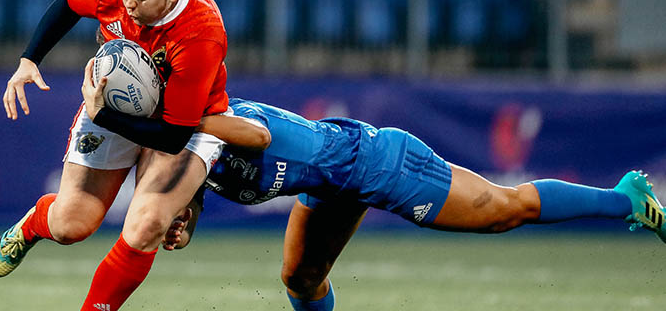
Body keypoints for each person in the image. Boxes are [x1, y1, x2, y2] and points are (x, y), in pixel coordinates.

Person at [164, 98, 666, 311]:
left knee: (504, 210)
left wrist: (186, 123)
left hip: (377, 163)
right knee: (300, 278)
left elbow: (253, 134)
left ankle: (625, 198)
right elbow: (199, 184)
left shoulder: (218, 119)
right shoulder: (183, 150)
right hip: (330, 185)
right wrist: (185, 218)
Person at [0, 0, 230, 311]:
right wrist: (29, 59)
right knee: (71, 226)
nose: (128, 3)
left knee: (147, 224)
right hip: (114, 107)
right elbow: (69, 0)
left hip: (185, 124)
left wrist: (102, 116)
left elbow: (173, 135)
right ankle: (33, 224)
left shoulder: (200, 32)